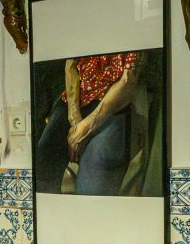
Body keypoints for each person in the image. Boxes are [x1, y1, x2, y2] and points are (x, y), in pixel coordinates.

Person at [34, 52, 142, 195]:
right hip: (74, 101)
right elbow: (71, 65)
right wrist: (75, 119)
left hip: (112, 105)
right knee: (43, 159)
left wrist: (85, 128)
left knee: (97, 167)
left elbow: (127, 82)